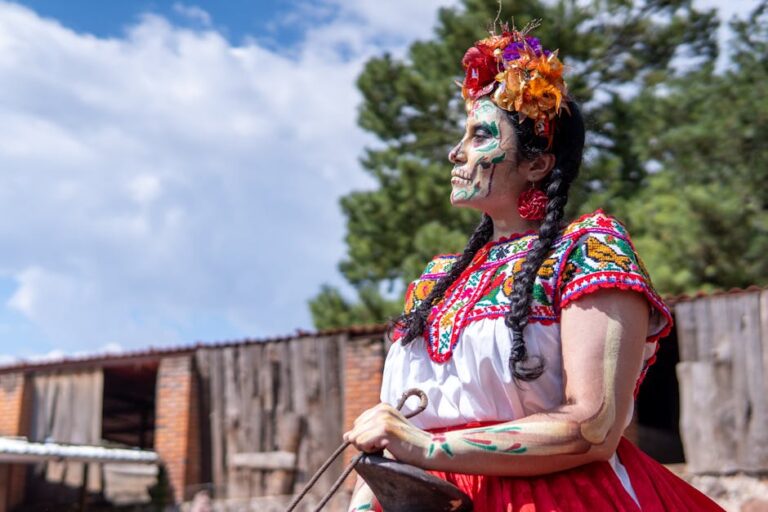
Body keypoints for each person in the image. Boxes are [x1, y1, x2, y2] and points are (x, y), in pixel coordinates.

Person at [343, 23, 726, 512]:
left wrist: (431, 449)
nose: (455, 152)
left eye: (480, 135)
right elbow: (394, 436)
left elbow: (594, 427)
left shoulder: (588, 253)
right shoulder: (434, 284)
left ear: (537, 164)